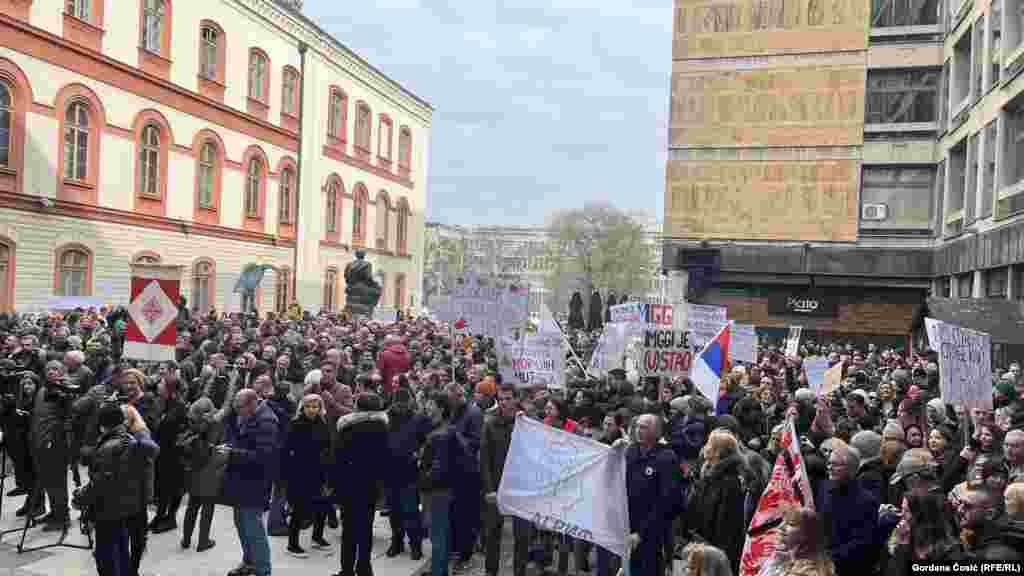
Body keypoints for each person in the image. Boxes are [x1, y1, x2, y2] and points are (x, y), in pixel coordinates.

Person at [76, 401, 158, 576]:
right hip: (127, 509)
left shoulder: (108, 448)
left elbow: (100, 485)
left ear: (102, 424)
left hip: (108, 511)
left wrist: (80, 496)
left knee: (105, 558)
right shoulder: (131, 440)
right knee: (121, 553)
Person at [221, 388, 279, 576]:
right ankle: (249, 563)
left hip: (256, 482)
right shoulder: (244, 415)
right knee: (241, 525)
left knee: (253, 529)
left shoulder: (267, 422)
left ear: (253, 403)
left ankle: (263, 571)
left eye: (240, 407)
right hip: (240, 479)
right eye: (235, 407)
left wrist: (232, 453)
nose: (237, 411)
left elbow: (263, 457)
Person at [334, 393, 389, 576]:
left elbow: (338, 458)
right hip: (371, 486)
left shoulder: (347, 427)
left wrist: (333, 484)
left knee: (349, 530)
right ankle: (364, 567)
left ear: (358, 407)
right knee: (366, 528)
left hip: (349, 485)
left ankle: (347, 570)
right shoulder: (383, 428)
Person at [480, 384, 531, 576]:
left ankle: (520, 571)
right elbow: (484, 459)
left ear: (516, 399)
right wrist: (488, 489)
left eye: (508, 398)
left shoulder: (528, 422)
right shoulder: (490, 423)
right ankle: (490, 572)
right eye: (501, 399)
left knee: (522, 536)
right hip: (497, 487)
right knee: (492, 534)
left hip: (522, 488)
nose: (504, 402)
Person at [622, 413, 680, 576]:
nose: (638, 431)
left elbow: (666, 501)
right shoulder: (630, 452)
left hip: (652, 532)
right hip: (627, 526)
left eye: (644, 427)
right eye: (637, 427)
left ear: (656, 432)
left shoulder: (666, 458)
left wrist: (642, 533)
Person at [688, 428, 746, 575]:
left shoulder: (730, 482)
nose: (705, 447)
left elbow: (727, 525)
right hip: (704, 544)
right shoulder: (708, 474)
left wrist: (716, 552)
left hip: (718, 552)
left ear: (718, 452)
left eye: (709, 444)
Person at [385, 387, 432, 561]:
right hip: (390, 471)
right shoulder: (386, 418)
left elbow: (429, 441)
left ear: (410, 402)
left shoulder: (419, 419)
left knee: (410, 510)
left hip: (410, 472)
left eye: (405, 404)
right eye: (399, 404)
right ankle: (396, 541)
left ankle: (415, 544)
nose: (402, 408)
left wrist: (420, 453)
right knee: (393, 510)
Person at [821, 440, 879, 576]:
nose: (830, 467)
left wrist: (829, 557)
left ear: (851, 468)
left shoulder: (866, 501)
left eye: (836, 465)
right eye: (829, 463)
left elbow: (862, 542)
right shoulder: (823, 488)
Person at [29, 360, 74, 532]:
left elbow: (70, 417)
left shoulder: (65, 391)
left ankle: (62, 517)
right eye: (48, 369)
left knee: (57, 482)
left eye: (55, 369)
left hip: (55, 444)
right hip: (39, 442)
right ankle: (55, 512)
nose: (51, 372)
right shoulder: (42, 390)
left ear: (62, 372)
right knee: (47, 481)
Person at [285, 394, 331, 557]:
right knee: (298, 509)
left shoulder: (323, 423)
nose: (312, 409)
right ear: (302, 407)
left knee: (322, 505)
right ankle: (292, 544)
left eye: (315, 406)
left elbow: (327, 445)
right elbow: (288, 449)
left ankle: (317, 537)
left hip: (320, 470)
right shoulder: (296, 424)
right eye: (309, 406)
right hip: (301, 471)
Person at [446, 379, 483, 572]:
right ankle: (455, 548)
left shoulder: (474, 413)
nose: (449, 403)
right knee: (453, 512)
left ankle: (465, 552)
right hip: (453, 469)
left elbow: (475, 443)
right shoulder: (454, 411)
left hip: (467, 472)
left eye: (451, 399)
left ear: (459, 396)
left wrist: (456, 435)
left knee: (465, 514)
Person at [178, 397, 220, 552]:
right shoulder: (214, 424)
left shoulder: (192, 424)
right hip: (209, 469)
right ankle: (203, 541)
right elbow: (216, 444)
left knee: (192, 506)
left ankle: (186, 540)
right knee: (208, 508)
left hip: (193, 468)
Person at [885, 493, 963, 576]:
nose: (901, 515)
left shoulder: (950, 551)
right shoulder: (904, 540)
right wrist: (902, 545)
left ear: (923, 517)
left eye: (907, 511)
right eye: (902, 509)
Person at [760, 506, 834, 576]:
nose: (781, 527)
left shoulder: (812, 571)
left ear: (808, 533)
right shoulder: (778, 561)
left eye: (791, 524)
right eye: (782, 522)